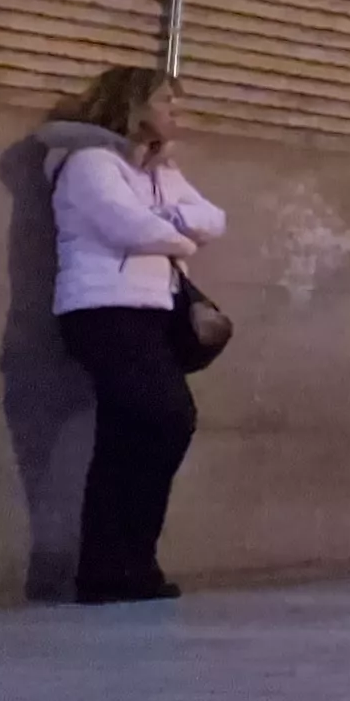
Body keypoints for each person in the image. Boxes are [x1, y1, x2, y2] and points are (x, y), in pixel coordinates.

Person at [39, 66, 225, 603]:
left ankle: (127, 567)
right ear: (134, 104)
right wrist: (179, 239)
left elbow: (213, 218)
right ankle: (106, 568)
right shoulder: (88, 161)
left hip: (153, 310)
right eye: (167, 101)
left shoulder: (159, 169)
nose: (174, 113)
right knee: (164, 419)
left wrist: (167, 215)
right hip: (102, 310)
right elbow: (127, 227)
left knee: (136, 434)